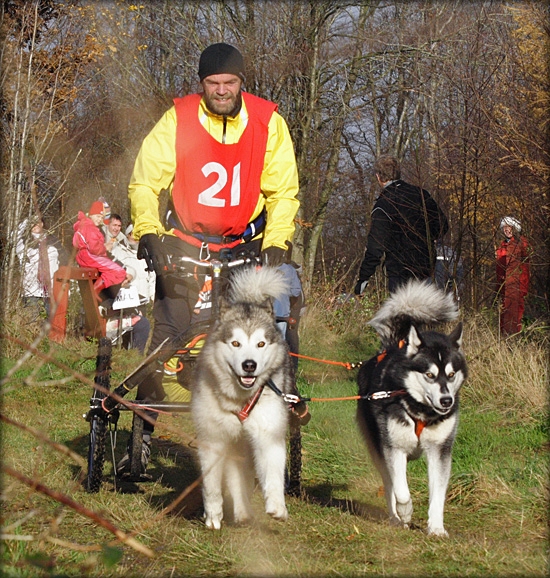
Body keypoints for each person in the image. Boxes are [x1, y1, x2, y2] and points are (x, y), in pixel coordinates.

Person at [117, 42, 300, 477]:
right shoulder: (177, 119)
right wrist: (148, 231)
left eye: (229, 83)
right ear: (202, 84)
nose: (221, 91)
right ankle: (141, 436)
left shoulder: (268, 122)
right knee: (168, 337)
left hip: (245, 249)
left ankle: (268, 429)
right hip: (184, 245)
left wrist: (277, 241)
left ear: (241, 83)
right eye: (213, 83)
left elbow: (283, 192)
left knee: (258, 338)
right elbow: (145, 182)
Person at [354, 154, 449, 295]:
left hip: (399, 271)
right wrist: (427, 239)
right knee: (423, 312)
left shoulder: (383, 204)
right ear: (398, 174)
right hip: (425, 267)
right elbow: (443, 225)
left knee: (402, 313)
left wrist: (363, 279)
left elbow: (375, 247)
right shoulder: (421, 195)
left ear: (379, 177)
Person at [72, 201, 131, 309]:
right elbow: (94, 248)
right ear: (91, 215)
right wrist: (105, 247)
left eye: (101, 217)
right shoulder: (90, 228)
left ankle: (99, 290)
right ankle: (96, 289)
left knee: (117, 270)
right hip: (90, 256)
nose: (99, 220)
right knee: (119, 271)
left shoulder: (87, 226)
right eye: (98, 216)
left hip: (87, 256)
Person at [15, 216, 68, 319]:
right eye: (32, 223)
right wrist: (26, 221)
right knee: (32, 324)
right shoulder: (24, 243)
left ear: (42, 224)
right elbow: (13, 237)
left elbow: (65, 262)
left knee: (50, 326)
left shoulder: (53, 241)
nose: (35, 225)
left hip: (51, 292)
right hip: (31, 292)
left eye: (37, 222)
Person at [104, 213, 155, 303]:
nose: (136, 237)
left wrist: (152, 297)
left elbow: (152, 277)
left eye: (139, 234)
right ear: (128, 233)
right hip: (126, 302)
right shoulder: (117, 250)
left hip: (144, 301)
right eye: (134, 233)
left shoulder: (146, 253)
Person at [496, 216, 530, 336]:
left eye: (509, 227)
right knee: (504, 314)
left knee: (516, 315)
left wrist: (523, 287)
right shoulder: (502, 246)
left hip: (516, 286)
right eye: (504, 227)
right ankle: (504, 338)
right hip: (504, 287)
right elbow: (499, 269)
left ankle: (515, 338)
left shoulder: (520, 244)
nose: (506, 229)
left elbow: (525, 267)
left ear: (514, 228)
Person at [273, 260, 305, 373]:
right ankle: (279, 373)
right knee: (280, 346)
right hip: (282, 314)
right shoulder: (289, 270)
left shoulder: (262, 265)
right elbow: (296, 292)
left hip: (263, 313)